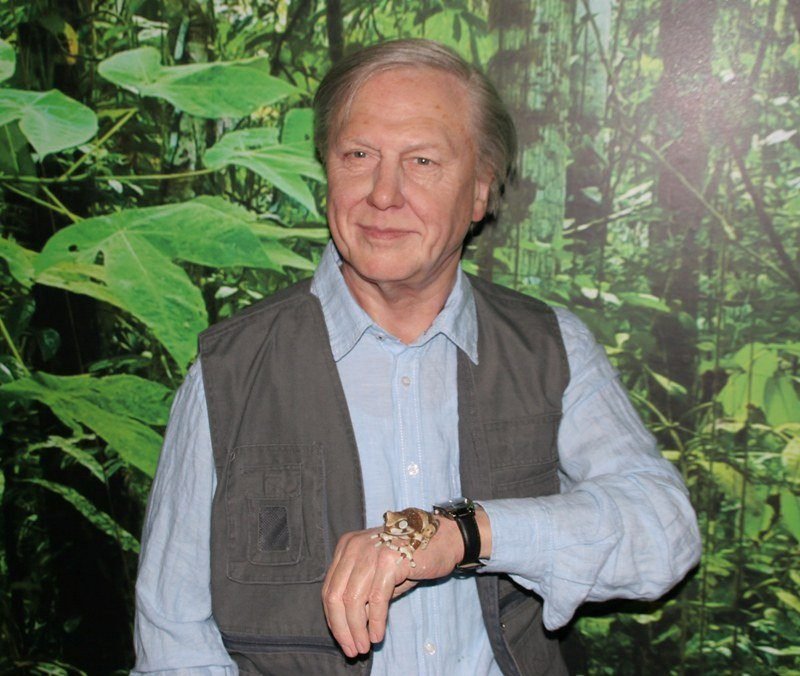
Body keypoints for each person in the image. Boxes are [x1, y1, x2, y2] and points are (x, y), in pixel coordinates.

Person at [133, 39, 701, 675]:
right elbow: (174, 643)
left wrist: (462, 533)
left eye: (423, 160)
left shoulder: (549, 347)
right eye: (358, 155)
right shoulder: (230, 372)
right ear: (327, 167)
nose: (383, 194)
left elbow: (663, 531)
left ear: (481, 191)